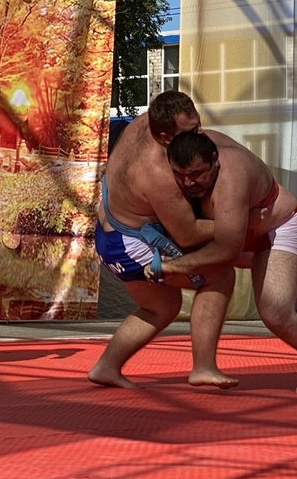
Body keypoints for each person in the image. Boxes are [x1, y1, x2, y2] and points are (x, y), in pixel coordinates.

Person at [154, 130, 297, 394]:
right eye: (181, 175)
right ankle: (203, 365)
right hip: (239, 233)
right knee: (215, 276)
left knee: (276, 312)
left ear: (215, 160)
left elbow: (226, 249)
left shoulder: (231, 178)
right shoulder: (167, 161)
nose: (189, 182)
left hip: (275, 228)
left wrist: (173, 266)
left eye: (196, 174)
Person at [89, 91, 239, 389]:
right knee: (219, 275)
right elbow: (188, 232)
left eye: (198, 126)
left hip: (110, 232)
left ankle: (106, 367)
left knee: (161, 306)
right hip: (130, 243)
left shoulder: (143, 122)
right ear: (164, 136)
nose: (199, 135)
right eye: (191, 133)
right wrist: (237, 221)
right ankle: (203, 367)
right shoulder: (158, 173)